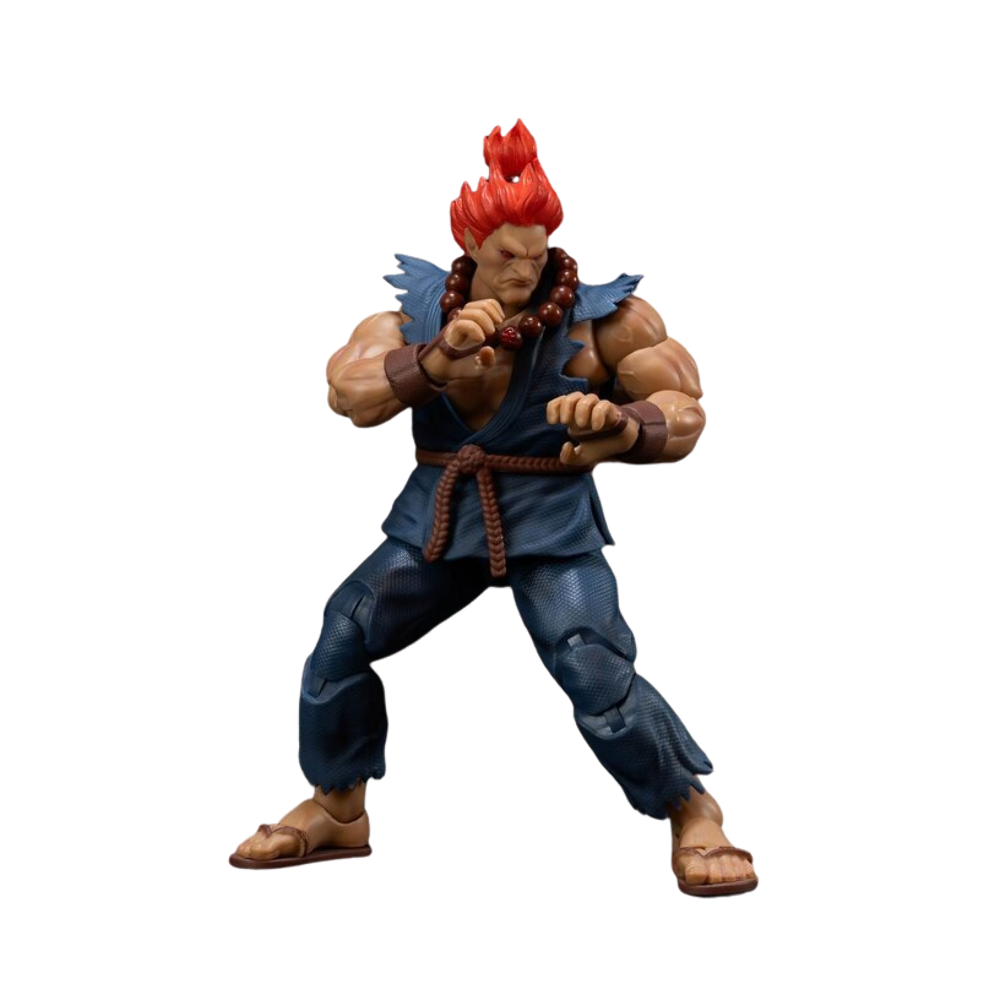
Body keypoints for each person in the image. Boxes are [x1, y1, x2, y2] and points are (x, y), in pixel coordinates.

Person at [231, 121, 757, 896]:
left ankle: (691, 808)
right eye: (508, 255)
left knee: (590, 663)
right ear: (473, 245)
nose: (526, 269)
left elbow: (685, 409)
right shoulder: (412, 318)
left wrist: (620, 427)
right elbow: (348, 391)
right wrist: (435, 360)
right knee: (344, 631)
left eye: (537, 253)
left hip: (550, 522)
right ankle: (338, 808)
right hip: (440, 520)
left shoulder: (605, 321)